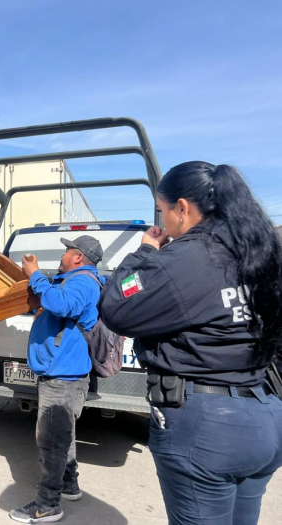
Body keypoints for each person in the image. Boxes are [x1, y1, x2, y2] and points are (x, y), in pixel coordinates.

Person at [99, 161, 282, 525]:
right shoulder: (258, 251)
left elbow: (116, 305)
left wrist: (146, 252)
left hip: (208, 426)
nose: (163, 220)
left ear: (182, 208)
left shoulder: (185, 258)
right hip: (266, 410)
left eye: (162, 210)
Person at [10, 235, 105, 524]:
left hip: (64, 377)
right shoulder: (74, 280)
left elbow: (62, 305)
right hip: (61, 372)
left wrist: (35, 274)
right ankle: (69, 484)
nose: (62, 255)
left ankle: (48, 504)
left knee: (51, 440)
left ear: (78, 257)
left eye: (67, 251)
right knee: (63, 434)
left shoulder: (83, 282)